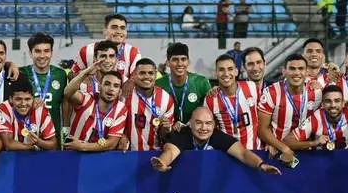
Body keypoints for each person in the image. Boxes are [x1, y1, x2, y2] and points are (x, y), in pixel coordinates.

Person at [151, 107, 282, 175]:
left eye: (208, 123)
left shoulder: (217, 136)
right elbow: (170, 152)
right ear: (190, 123)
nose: (203, 128)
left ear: (214, 125)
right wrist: (162, 162)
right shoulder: (182, 135)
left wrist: (261, 164)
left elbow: (242, 153)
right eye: (198, 123)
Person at [204, 55, 262, 150]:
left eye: (230, 69)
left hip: (255, 151)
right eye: (221, 70)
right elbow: (208, 127)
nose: (226, 74)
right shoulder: (211, 99)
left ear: (236, 72)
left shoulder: (252, 88)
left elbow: (266, 118)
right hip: (226, 153)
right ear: (215, 73)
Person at [21, 32, 68, 146]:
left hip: (53, 138)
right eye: (37, 51)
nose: (42, 56)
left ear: (52, 52)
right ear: (30, 53)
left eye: (46, 51)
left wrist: (66, 128)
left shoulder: (61, 74)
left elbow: (65, 102)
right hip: (26, 136)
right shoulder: (21, 73)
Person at [285, 85, 348, 151]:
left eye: (337, 101)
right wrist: (313, 143)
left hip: (347, 158)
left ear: (343, 103)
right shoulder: (315, 119)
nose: (333, 105)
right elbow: (287, 141)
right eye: (328, 101)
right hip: (322, 159)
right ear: (322, 104)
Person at [65, 70, 127, 152]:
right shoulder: (86, 99)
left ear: (119, 92)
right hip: (73, 153)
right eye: (107, 84)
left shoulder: (120, 109)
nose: (111, 89)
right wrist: (84, 74)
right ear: (99, 87)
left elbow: (111, 143)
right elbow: (67, 93)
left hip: (97, 156)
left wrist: (83, 146)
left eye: (116, 86)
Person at [120, 59, 174, 152]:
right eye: (142, 73)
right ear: (134, 75)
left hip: (155, 153)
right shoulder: (125, 95)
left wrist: (166, 129)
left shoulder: (166, 99)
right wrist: (121, 135)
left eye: (150, 73)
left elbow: (166, 137)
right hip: (127, 153)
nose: (146, 77)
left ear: (155, 75)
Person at [71, 14, 141, 81]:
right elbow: (71, 76)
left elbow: (136, 80)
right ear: (104, 31)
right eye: (114, 27)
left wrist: (129, 81)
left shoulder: (133, 53)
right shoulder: (86, 51)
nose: (119, 31)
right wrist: (83, 75)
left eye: (122, 28)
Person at [0, 75, 57, 152]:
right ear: (11, 99)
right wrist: (33, 147)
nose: (23, 104)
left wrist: (39, 142)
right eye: (18, 99)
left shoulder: (40, 111)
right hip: (11, 156)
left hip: (35, 156)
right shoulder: (5, 108)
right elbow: (8, 144)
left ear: (33, 99)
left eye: (27, 99)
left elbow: (53, 144)